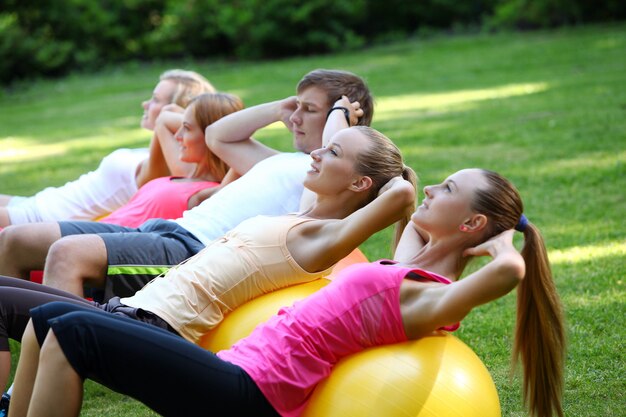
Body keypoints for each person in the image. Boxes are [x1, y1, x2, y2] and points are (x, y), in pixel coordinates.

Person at [10, 169, 565, 417]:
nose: (433, 188)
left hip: (253, 394)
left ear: (470, 225)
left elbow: (507, 276)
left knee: (75, 327)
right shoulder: (404, 267)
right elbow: (405, 203)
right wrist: (414, 197)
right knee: (56, 313)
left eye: (449, 189)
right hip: (234, 367)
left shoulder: (423, 295)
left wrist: (503, 250)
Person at [0, 124, 416, 412]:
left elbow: (396, 198)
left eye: (334, 152)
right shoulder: (306, 215)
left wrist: (401, 182)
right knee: (35, 315)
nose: (319, 151)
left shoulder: (321, 238)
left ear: (361, 185)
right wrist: (346, 139)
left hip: (156, 323)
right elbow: (360, 179)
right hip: (130, 307)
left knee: (62, 324)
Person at [0, 69, 374, 301]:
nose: (295, 117)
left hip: (193, 251)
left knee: (67, 253)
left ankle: (27, 386)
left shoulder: (327, 176)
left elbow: (334, 162)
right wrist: (281, 107)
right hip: (165, 230)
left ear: (339, 120)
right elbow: (219, 135)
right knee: (15, 240)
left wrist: (342, 119)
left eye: (308, 110)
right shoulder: (280, 161)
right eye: (297, 107)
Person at [0, 70, 216, 228]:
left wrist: (172, 118)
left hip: (40, 219)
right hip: (37, 202)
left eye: (156, 100)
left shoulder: (166, 167)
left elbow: (182, 175)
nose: (145, 104)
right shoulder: (152, 153)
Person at [98, 92, 243, 228]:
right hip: (92, 232)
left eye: (186, 128)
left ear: (210, 136)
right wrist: (193, 120)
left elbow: (249, 156)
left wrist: (216, 134)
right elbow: (164, 118)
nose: (177, 135)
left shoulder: (211, 193)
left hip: (102, 245)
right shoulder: (185, 173)